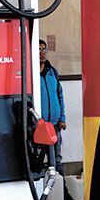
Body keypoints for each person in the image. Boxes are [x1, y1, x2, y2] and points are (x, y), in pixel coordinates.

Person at [39, 39, 66, 175]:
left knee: (56, 160)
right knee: (38, 160)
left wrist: (62, 118)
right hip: (38, 126)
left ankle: (62, 193)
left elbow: (59, 95)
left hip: (54, 125)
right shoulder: (30, 73)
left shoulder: (52, 72)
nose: (42, 53)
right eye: (39, 50)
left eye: (44, 50)